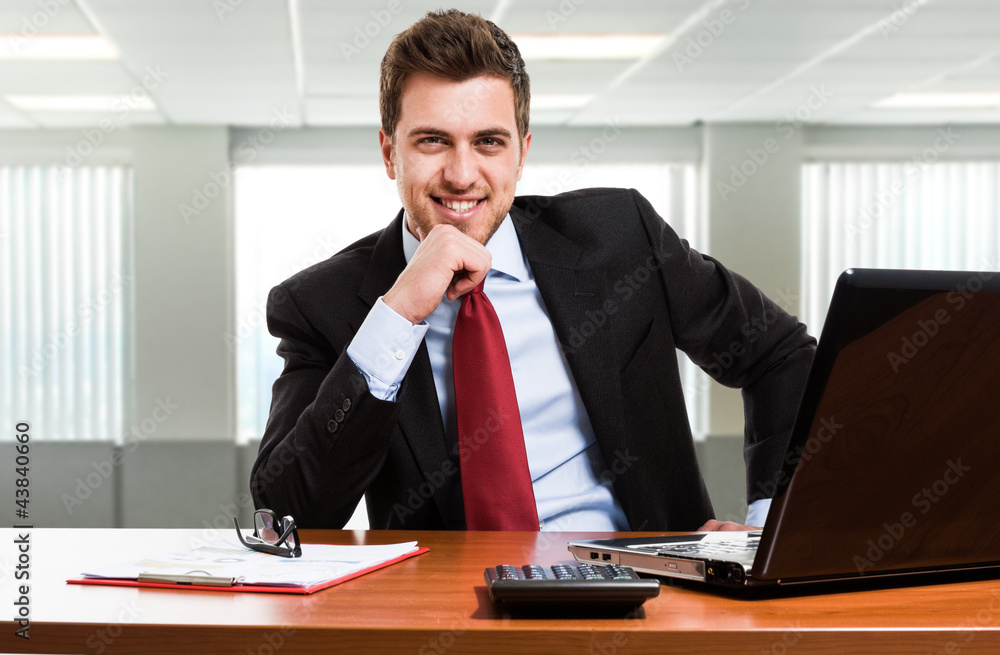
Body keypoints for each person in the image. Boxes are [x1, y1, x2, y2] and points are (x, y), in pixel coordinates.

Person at [250, 9, 815, 532]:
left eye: (488, 142)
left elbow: (782, 356)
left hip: (643, 596)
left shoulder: (620, 237)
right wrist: (397, 315)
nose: (461, 173)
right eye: (432, 141)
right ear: (389, 152)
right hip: (448, 616)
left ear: (521, 151)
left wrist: (768, 529)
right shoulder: (323, 304)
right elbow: (288, 511)